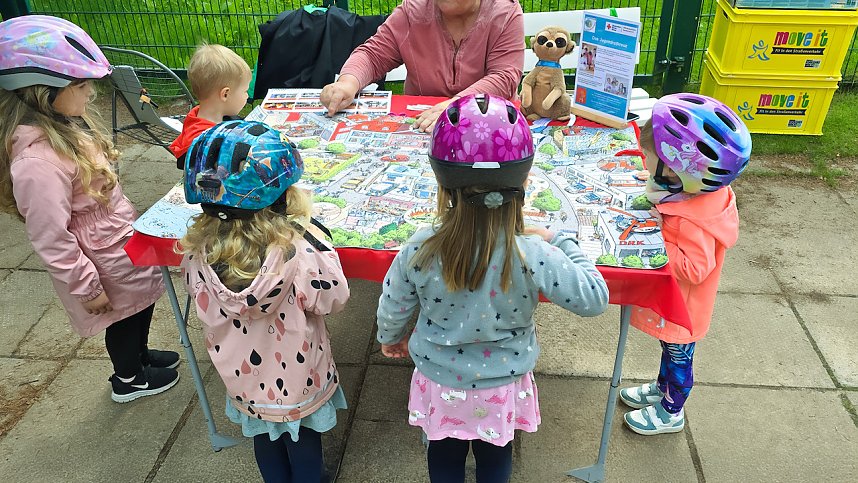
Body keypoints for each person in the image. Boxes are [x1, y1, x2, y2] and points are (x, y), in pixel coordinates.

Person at [375, 94, 610, 482]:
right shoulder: (532, 252)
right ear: (523, 180)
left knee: (444, 456)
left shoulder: (421, 245)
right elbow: (595, 297)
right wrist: (561, 241)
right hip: (501, 384)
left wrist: (390, 337)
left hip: (440, 378)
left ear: (443, 183)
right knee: (496, 457)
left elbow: (394, 302)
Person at [0, 15, 179, 403]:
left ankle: (141, 357)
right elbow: (50, 237)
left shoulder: (62, 128)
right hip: (98, 262)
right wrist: (86, 287)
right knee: (123, 316)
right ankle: (129, 379)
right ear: (40, 91)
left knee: (139, 306)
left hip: (115, 244)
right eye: (80, 86)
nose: (90, 95)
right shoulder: (36, 163)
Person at [179, 120, 350, 482]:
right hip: (298, 377)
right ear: (283, 197)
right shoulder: (299, 252)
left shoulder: (196, 253)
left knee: (264, 438)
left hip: (244, 379)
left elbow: (200, 298)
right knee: (304, 442)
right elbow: (334, 298)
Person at [620, 94, 751, 435]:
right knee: (670, 352)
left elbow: (696, 267)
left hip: (684, 309)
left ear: (679, 171)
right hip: (678, 302)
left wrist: (656, 239)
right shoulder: (695, 194)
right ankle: (662, 389)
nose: (645, 165)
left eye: (650, 162)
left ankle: (672, 410)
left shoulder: (694, 220)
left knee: (679, 358)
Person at [320, 0, 524, 132]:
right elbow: (373, 55)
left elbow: (505, 76)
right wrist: (348, 83)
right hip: (422, 127)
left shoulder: (505, 12)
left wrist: (457, 105)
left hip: (489, 126)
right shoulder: (412, 11)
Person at [168, 43, 252, 169]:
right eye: (245, 91)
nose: (247, 96)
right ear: (225, 94)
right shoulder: (203, 141)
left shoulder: (202, 116)